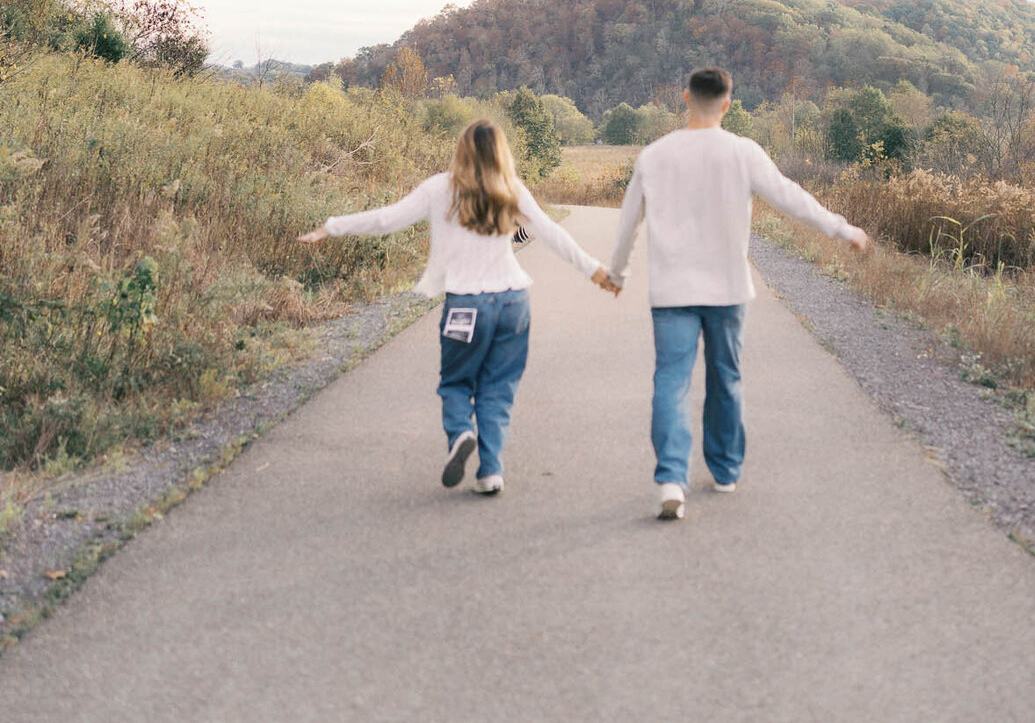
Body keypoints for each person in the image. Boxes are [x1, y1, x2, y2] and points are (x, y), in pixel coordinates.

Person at [300, 120, 617, 496]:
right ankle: (491, 472)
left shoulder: (439, 188)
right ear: (501, 152)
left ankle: (461, 433)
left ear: (462, 150)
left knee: (456, 383)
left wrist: (330, 227)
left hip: (467, 305)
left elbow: (387, 219)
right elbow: (551, 232)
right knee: (498, 388)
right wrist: (595, 270)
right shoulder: (510, 188)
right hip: (513, 301)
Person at [607, 67, 869, 520]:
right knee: (724, 378)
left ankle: (671, 478)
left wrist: (616, 272)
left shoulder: (655, 155)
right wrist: (841, 229)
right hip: (726, 290)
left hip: (671, 292)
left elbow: (630, 218)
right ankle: (725, 471)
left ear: (684, 97)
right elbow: (790, 196)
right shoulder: (743, 152)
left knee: (670, 381)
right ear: (727, 103)